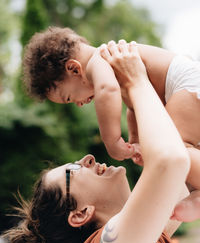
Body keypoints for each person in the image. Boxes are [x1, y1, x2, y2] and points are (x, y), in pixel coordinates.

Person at [3, 40, 191, 243]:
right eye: (74, 170)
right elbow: (172, 160)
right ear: (80, 214)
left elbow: (181, 170)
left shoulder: (138, 242)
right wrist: (136, 80)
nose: (87, 158)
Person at [23, 26, 200, 222]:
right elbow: (134, 107)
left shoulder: (99, 60)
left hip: (187, 86)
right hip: (185, 88)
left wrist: (112, 142)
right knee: (182, 153)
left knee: (175, 148)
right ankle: (196, 192)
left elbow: (107, 91)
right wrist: (134, 139)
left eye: (69, 97)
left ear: (74, 69)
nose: (79, 104)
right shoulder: (113, 67)